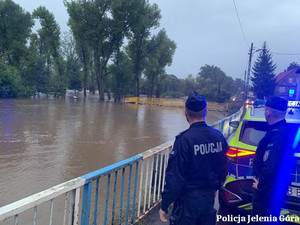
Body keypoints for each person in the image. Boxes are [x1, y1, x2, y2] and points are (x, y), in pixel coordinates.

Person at [159, 91, 228, 225]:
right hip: (209, 200)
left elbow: (174, 178)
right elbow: (224, 167)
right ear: (206, 112)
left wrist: (165, 204)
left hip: (187, 204)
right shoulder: (218, 137)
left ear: (186, 113)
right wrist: (216, 187)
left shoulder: (184, 140)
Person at [252, 96, 296, 223]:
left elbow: (271, 165)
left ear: (268, 112)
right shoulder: (283, 130)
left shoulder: (279, 134)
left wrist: (261, 185)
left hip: (268, 192)